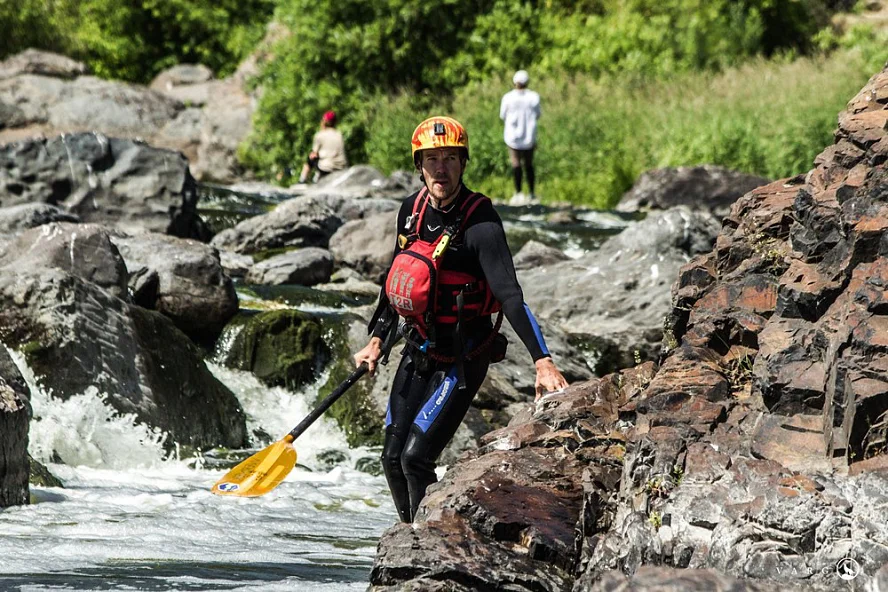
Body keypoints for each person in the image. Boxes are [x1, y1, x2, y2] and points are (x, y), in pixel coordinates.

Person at [353, 116, 569, 524]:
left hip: (463, 356)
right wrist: (377, 340)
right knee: (391, 457)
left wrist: (543, 361)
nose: (440, 168)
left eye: (450, 158)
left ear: (463, 163)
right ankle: (411, 532)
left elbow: (510, 295)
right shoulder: (411, 212)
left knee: (416, 458)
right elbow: (395, 278)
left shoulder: (481, 223)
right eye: (431, 158)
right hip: (418, 347)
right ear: (419, 165)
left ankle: (427, 539)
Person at [499, 70, 541, 200]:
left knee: (516, 164)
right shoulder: (534, 97)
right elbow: (538, 114)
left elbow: (502, 115)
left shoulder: (508, 97)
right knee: (529, 164)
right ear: (527, 82)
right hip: (529, 136)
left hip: (512, 137)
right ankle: (532, 193)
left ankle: (518, 193)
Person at [298, 110, 348, 183]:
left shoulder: (320, 135)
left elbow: (314, 154)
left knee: (310, 158)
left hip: (327, 168)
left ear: (324, 122)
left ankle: (302, 180)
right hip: (342, 167)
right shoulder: (339, 134)